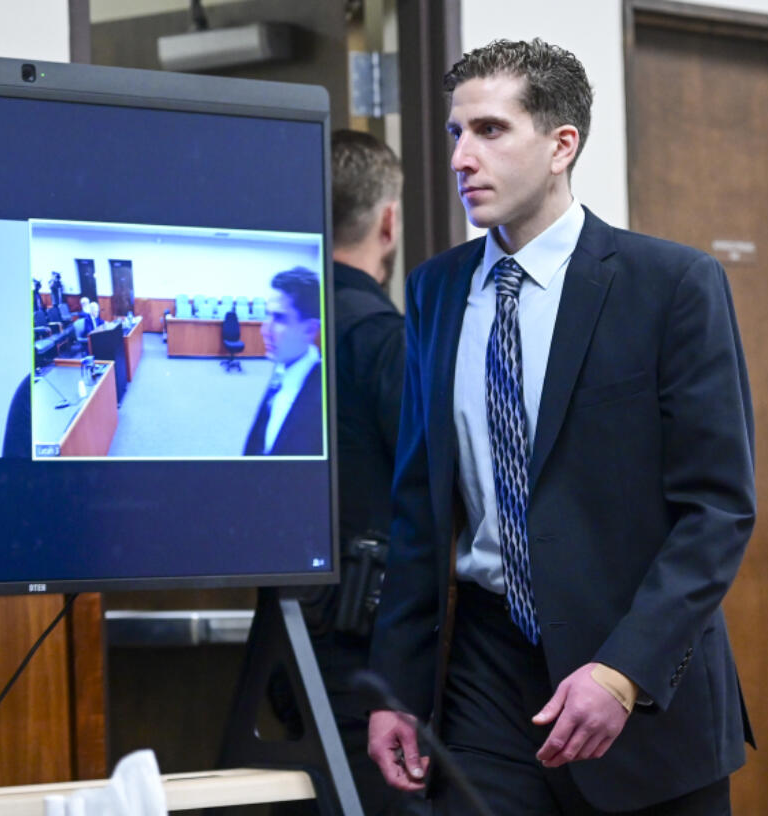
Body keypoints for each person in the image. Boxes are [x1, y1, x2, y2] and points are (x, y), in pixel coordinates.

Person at [366, 39, 756, 815]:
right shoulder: (436, 291)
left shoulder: (672, 285)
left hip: (641, 676)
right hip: (485, 670)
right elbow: (418, 509)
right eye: (454, 134)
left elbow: (717, 510)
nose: (460, 157)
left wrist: (623, 671)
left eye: (489, 130)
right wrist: (397, 689)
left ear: (560, 146)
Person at [301, 130, 421, 816]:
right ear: (388, 221)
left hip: (291, 647)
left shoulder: (276, 335)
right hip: (375, 665)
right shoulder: (386, 343)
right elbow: (438, 502)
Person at [243, 266, 323, 456]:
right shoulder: (284, 366)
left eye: (279, 318)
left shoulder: (321, 400)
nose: (265, 330)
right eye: (268, 315)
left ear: (310, 329)